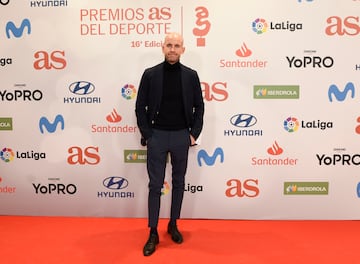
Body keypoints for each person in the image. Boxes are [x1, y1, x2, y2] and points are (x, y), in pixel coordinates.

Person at [135, 32, 204, 256]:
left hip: (181, 136)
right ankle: (153, 231)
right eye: (169, 45)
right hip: (157, 136)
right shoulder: (150, 74)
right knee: (155, 186)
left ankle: (173, 224)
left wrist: (193, 133)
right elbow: (140, 107)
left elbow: (199, 107)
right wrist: (148, 133)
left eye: (177, 45)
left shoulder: (191, 76)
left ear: (183, 49)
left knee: (179, 182)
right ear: (162, 47)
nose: (172, 49)